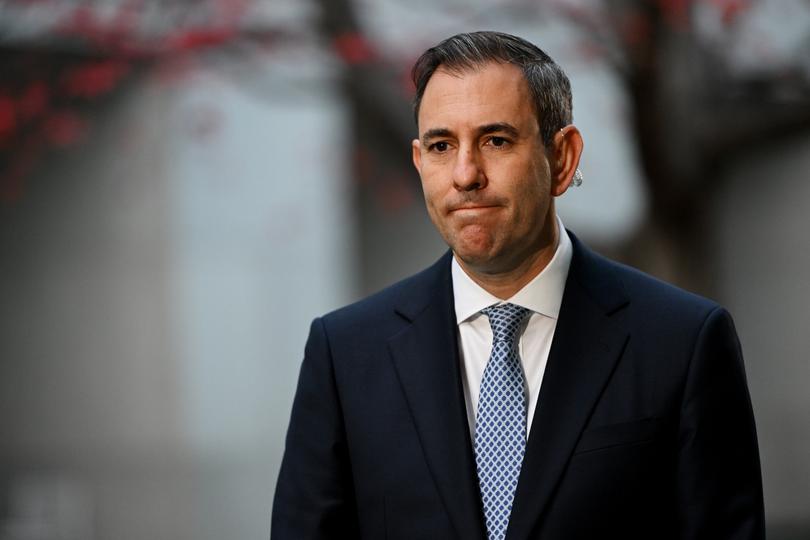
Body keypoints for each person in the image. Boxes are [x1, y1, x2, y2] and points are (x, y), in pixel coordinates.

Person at [271, 31, 764, 540]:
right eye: (442, 146)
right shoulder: (346, 354)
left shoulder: (682, 342)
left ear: (563, 158)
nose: (465, 174)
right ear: (420, 164)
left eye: (496, 140)